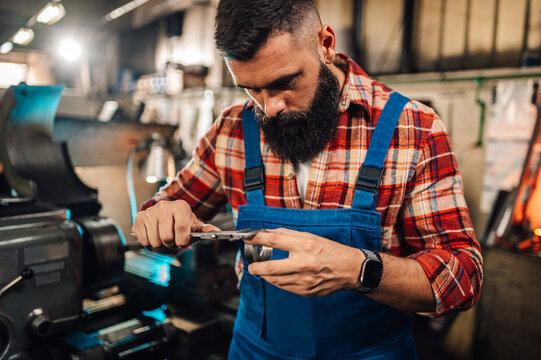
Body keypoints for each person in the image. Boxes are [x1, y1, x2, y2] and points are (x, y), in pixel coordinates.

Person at [132, 0, 483, 358]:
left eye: (284, 82)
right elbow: (167, 209)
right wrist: (159, 218)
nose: (269, 108)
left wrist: (360, 269)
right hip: (257, 349)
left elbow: (464, 277)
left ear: (325, 44)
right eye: (250, 89)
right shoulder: (233, 129)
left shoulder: (413, 129)